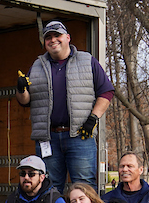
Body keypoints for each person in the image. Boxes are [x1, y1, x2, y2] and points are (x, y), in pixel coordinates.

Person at [15, 20, 115, 193]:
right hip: (48, 138)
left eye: (57, 35)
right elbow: (25, 101)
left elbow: (106, 92)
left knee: (84, 186)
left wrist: (93, 118)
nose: (53, 40)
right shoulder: (37, 66)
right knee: (48, 187)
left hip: (80, 135)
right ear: (45, 42)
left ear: (68, 38)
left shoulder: (87, 61)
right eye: (48, 37)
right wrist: (20, 88)